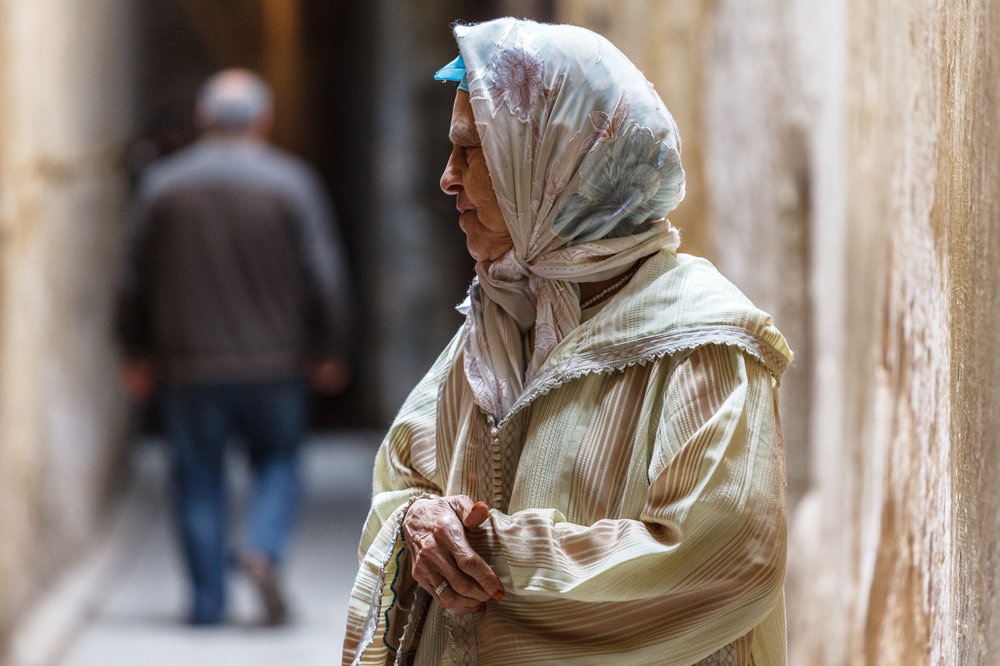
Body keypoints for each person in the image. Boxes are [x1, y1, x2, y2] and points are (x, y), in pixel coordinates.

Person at [342, 18, 792, 666]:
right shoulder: (503, 319)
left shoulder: (702, 341)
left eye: (472, 151)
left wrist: (499, 555)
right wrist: (420, 524)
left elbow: (723, 559)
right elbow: (408, 477)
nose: (447, 177)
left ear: (555, 167)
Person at [118, 69, 351, 627]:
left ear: (203, 119)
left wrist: (136, 351)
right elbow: (326, 277)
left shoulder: (162, 186)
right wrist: (330, 345)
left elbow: (132, 281)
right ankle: (262, 549)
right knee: (278, 464)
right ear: (263, 120)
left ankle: (206, 603)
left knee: (196, 478)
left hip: (188, 367)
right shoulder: (292, 184)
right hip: (276, 364)